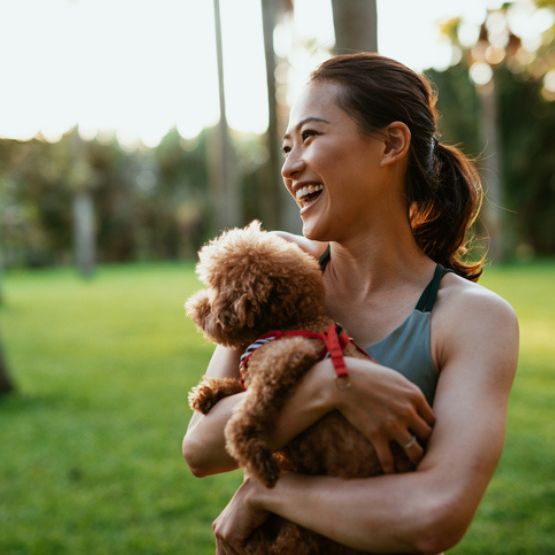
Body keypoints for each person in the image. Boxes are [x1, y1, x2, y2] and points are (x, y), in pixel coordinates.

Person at [182, 53, 519, 554]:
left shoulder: (472, 319)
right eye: (286, 146)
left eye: (311, 137)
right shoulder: (277, 269)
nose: (289, 166)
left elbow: (435, 515)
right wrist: (332, 383)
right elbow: (201, 447)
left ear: (390, 144)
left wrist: (268, 492)